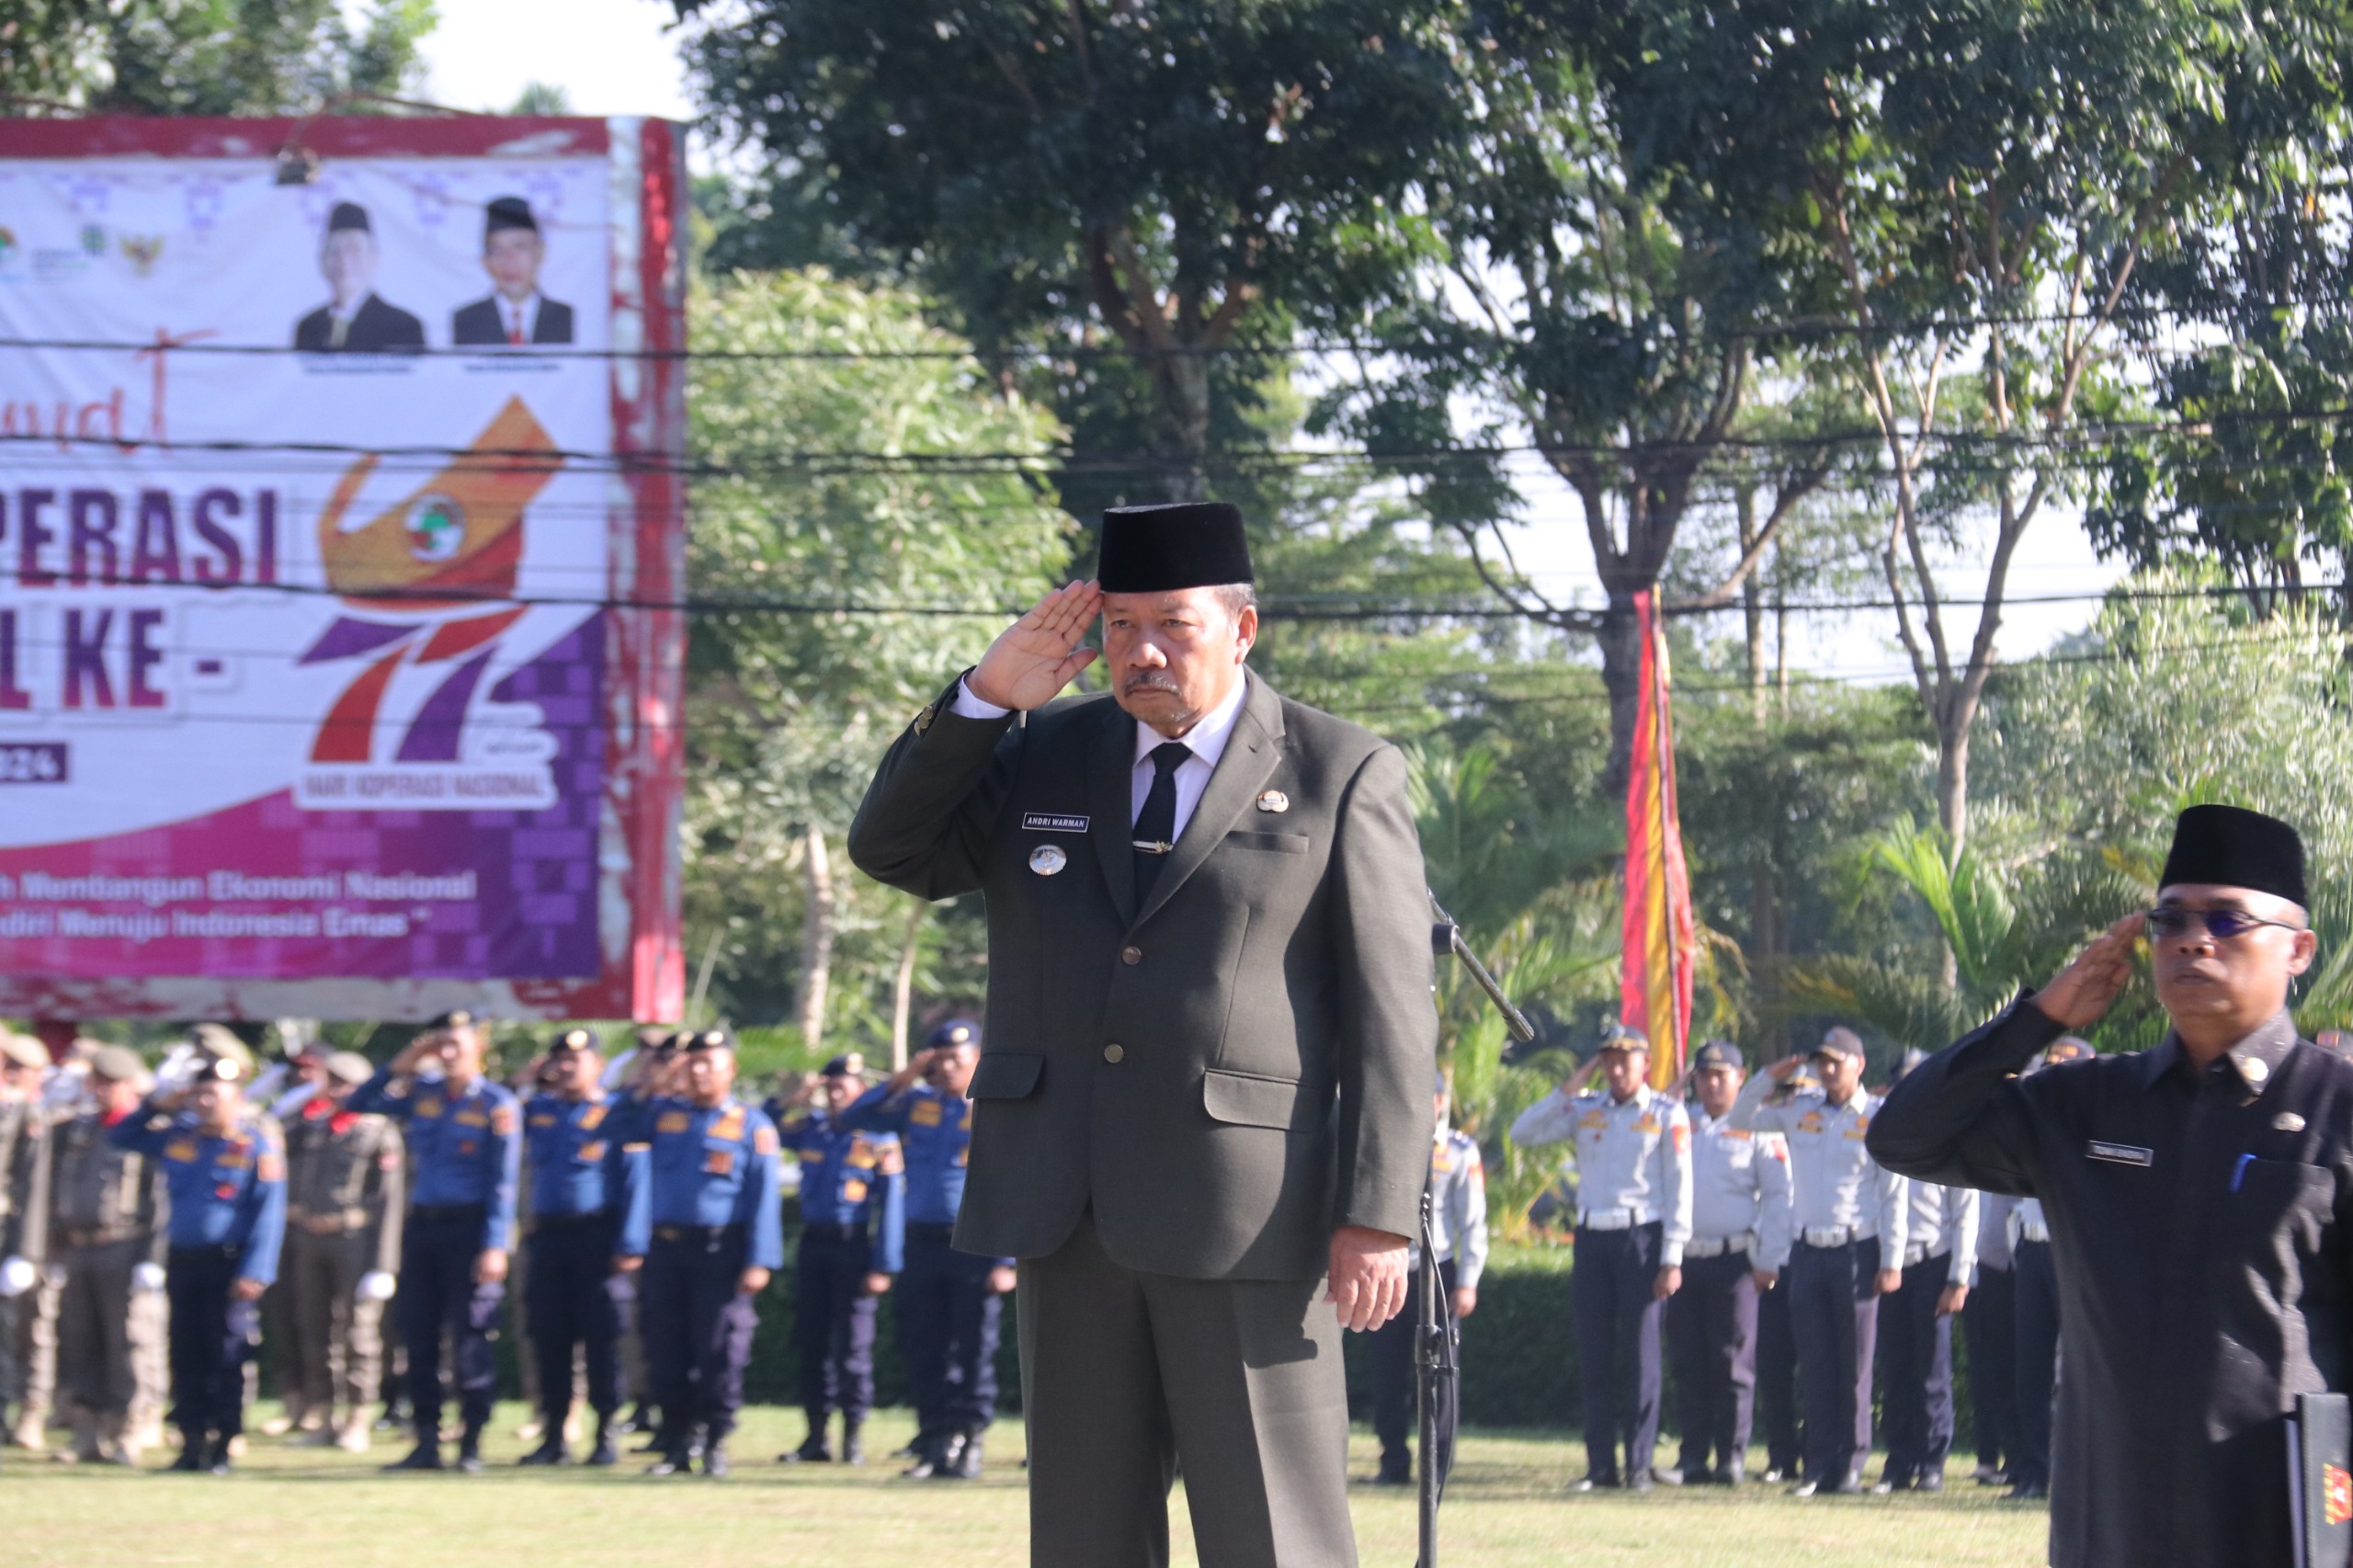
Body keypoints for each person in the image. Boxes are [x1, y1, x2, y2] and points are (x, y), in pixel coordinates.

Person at [847, 501, 1438, 1568]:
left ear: (1242, 626)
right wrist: (985, 700)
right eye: (1117, 626)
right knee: (1084, 1536)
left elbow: (1395, 1013)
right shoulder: (1042, 750)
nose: (1142, 651)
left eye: (1172, 622)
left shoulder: (1336, 769)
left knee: (1273, 1534)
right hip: (1066, 1209)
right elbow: (893, 847)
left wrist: (1377, 1211)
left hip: (1247, 1216)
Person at [1869, 803, 2353, 1568]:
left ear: (2297, 950)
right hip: (2114, 1517)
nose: (2194, 938)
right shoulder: (2087, 1103)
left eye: (2228, 921)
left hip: (2279, 1518)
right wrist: (2038, 1019)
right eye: (2169, 920)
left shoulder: (2337, 1107)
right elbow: (1905, 1137)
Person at [1510, 1026, 1693, 1491]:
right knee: (1594, 1354)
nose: (1616, 1069)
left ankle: (1637, 1464)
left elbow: (1680, 1191)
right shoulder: (1586, 1108)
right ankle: (1600, 1466)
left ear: (1645, 1063)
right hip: (1592, 1238)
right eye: (1608, 1059)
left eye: (1624, 1060)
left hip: (1642, 1239)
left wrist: (1672, 1257)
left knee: (1641, 1354)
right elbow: (1523, 1132)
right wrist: (1572, 1084)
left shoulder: (1666, 1114)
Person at [1731, 1027, 1907, 1496]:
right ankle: (1817, 1465)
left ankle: (1849, 1465)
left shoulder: (1878, 1116)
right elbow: (1741, 1115)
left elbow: (1893, 1195)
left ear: (1859, 1064)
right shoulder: (1799, 1112)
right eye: (1821, 1063)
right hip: (1807, 1250)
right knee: (1814, 1363)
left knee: (1853, 1368)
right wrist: (1771, 1075)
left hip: (1857, 1250)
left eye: (1837, 1062)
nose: (1827, 1071)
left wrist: (1892, 1261)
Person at [840, 1018, 1014, 1480]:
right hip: (921, 1244)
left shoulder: (996, 1110)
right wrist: (906, 1075)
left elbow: (1013, 1184)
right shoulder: (914, 1104)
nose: (949, 1066)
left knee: (974, 1347)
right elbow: (855, 1118)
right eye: (940, 1059)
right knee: (924, 1347)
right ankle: (934, 1442)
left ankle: (970, 1440)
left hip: (976, 1246)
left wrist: (1008, 1260)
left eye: (958, 1057)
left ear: (978, 1058)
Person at [349, 1011, 521, 1473]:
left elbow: (502, 1183)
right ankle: (425, 1440)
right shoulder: (421, 1093)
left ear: (478, 1048)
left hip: (470, 1231)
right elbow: (362, 1102)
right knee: (418, 1336)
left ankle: (470, 1443)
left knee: (470, 1339)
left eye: (456, 1046)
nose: (447, 1055)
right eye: (440, 1045)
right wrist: (403, 1063)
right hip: (424, 1228)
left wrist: (494, 1244)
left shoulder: (496, 1104)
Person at [610, 1028, 784, 1478]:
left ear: (731, 1070)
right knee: (666, 1346)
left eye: (710, 1063)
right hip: (667, 1249)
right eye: (693, 1063)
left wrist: (759, 1259)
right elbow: (616, 1126)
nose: (700, 1071)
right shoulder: (665, 1114)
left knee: (718, 1348)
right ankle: (676, 1440)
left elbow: (764, 1197)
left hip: (720, 1250)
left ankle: (714, 1440)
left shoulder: (751, 1125)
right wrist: (652, 1079)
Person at [110, 1045, 287, 1474]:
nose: (204, 1103)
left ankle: (224, 1444)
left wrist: (256, 1270)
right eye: (198, 1095)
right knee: (185, 1353)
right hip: (183, 1260)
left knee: (226, 1355)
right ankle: (190, 1442)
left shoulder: (255, 1147)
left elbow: (270, 1213)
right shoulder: (179, 1138)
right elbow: (120, 1136)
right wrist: (157, 1103)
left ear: (237, 1099)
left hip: (230, 1265)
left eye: (214, 1095)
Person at [28, 1044, 166, 1465]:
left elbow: (160, 1197)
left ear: (128, 1085)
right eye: (95, 1082)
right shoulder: (75, 1129)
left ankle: (128, 1430)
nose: (99, 1090)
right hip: (78, 1247)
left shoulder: (148, 1132)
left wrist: (152, 1258)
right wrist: (49, 1247)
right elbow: (51, 1191)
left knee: (128, 1342)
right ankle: (86, 1432)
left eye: (108, 1083)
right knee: (79, 1342)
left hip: (124, 1245)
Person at [517, 1028, 646, 1467]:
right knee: (550, 1336)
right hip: (549, 1238)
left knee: (601, 1338)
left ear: (598, 1063)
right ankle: (554, 1434)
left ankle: (606, 1432)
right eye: (559, 1060)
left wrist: (629, 1242)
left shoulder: (616, 1112)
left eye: (576, 1059)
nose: (566, 1067)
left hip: (598, 1238)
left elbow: (634, 1179)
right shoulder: (538, 1110)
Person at [1665, 1040, 1791, 1486]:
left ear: (1741, 1078)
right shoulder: (1680, 1122)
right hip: (1685, 1257)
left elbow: (1779, 1196)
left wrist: (1770, 1259)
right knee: (1687, 1361)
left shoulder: (1760, 1128)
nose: (1712, 1082)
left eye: (1722, 1074)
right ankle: (1693, 1457)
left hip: (1735, 1258)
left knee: (1732, 1363)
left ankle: (1731, 1456)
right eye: (1704, 1074)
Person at [774, 1054, 904, 1467]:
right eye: (830, 1087)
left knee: (853, 1348)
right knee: (811, 1344)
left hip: (854, 1250)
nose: (836, 1095)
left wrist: (884, 1265)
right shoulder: (811, 1130)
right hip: (815, 1246)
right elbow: (766, 1123)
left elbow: (892, 1207)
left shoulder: (878, 1139)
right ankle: (815, 1437)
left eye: (844, 1087)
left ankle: (852, 1439)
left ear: (860, 1090)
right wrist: (798, 1095)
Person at [1367, 1070, 1488, 1488]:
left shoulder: (1458, 1151)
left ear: (1440, 1102)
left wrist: (1468, 1280)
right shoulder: (1387, 1140)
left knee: (1440, 1375)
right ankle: (1393, 1462)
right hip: (1393, 1269)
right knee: (1387, 1373)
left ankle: (1437, 1468)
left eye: (1429, 1096)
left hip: (1439, 1272)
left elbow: (1473, 1222)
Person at [278, 1049, 404, 1453]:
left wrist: (383, 1264)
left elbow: (389, 1200)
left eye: (342, 1082)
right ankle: (324, 1416)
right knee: (314, 1330)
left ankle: (357, 1418)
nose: (334, 1089)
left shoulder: (377, 1129)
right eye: (328, 1081)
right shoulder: (314, 1125)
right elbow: (274, 1132)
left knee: (359, 1334)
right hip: (311, 1238)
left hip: (355, 1240)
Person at [1873, 1052, 1978, 1494]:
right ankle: (1898, 1461)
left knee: (1932, 1368)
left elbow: (1965, 1213)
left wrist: (1959, 1278)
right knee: (1894, 1368)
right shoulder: (1880, 1139)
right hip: (1888, 1267)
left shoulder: (1948, 1139)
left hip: (1934, 1262)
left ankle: (1932, 1461)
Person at [2002, 1036, 2092, 1503]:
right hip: (2033, 1253)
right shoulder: (2034, 1127)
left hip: (2075, 1253)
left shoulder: (2099, 1128)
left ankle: (2075, 1474)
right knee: (2031, 1368)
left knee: (2077, 1371)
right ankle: (2033, 1472)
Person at [0, 1032, 51, 1450]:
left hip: (10, 1236)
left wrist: (23, 1251)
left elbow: (31, 1186)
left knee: (15, 1333)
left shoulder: (26, 1113)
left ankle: (14, 1415)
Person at [292, 202, 425, 353]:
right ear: (322, 261)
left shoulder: (402, 326)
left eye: (354, 250)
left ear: (374, 258)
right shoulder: (308, 327)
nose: (344, 261)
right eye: (335, 250)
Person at [451, 196, 574, 347]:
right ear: (485, 260)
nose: (509, 260)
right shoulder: (466, 320)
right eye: (496, 250)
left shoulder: (566, 317)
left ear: (540, 252)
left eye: (520, 247)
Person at [1964, 1187, 2018, 1488]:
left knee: (2011, 1366)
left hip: (2007, 1268)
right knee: (1983, 1370)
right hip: (1973, 1273)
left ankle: (2016, 1456)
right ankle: (1987, 1457)